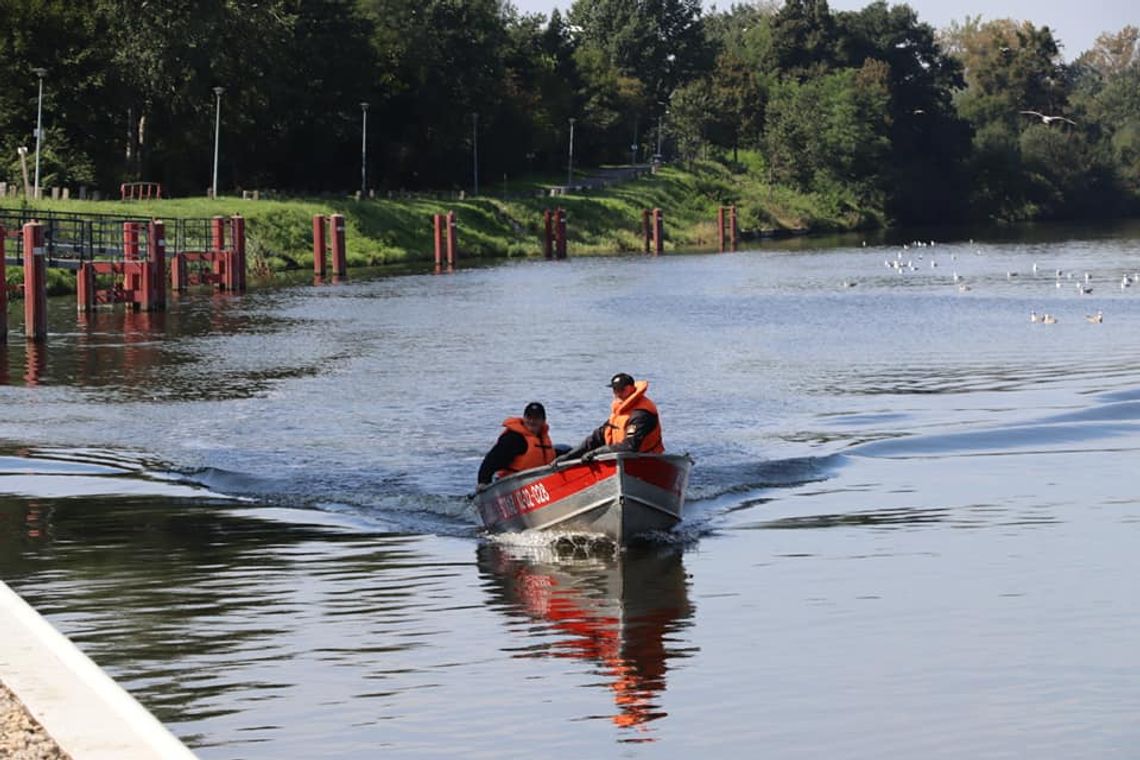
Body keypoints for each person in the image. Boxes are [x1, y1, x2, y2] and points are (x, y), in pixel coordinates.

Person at [555, 373, 664, 464]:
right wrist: (568, 456)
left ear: (631, 388)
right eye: (615, 389)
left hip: (645, 460)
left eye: (621, 389)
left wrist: (596, 453)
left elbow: (630, 445)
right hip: (620, 459)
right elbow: (597, 437)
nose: (617, 393)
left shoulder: (641, 414)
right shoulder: (620, 412)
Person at [476, 402, 555, 491]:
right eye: (529, 417)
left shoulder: (543, 438)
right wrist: (483, 481)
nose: (532, 421)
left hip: (540, 484)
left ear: (543, 421)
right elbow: (492, 459)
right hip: (513, 487)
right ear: (524, 418)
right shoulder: (514, 438)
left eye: (536, 418)